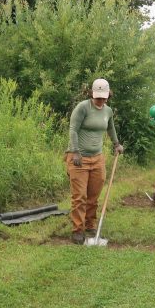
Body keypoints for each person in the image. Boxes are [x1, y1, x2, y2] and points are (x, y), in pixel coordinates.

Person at [66, 78, 124, 244]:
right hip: (79, 159)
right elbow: (73, 130)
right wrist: (75, 151)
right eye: (98, 96)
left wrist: (116, 144)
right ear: (92, 94)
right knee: (79, 197)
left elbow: (110, 128)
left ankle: (90, 224)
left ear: (108, 95)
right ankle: (78, 230)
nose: (101, 100)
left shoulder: (108, 111)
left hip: (97, 159)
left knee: (93, 195)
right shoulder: (83, 107)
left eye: (104, 97)